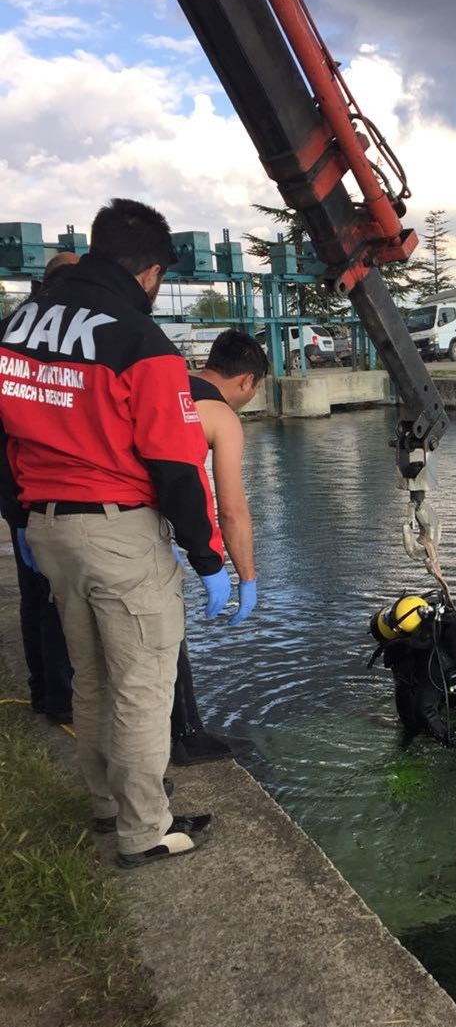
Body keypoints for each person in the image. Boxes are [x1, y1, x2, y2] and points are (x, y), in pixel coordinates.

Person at [0, 197, 233, 869]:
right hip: (117, 532)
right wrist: (206, 556)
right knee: (141, 685)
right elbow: (176, 465)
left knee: (94, 675)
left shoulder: (19, 325)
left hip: (47, 531)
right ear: (152, 271)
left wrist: (17, 515)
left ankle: (108, 803)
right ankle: (144, 830)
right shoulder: (140, 342)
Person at [171, 329, 267, 763]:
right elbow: (231, 509)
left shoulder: (166, 383)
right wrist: (244, 577)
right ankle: (186, 737)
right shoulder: (221, 414)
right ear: (246, 381)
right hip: (138, 533)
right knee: (165, 639)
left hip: (76, 511)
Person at [0, 252, 80, 725]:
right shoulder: (73, 334)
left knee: (37, 599)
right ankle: (65, 698)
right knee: (61, 601)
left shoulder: (10, 329)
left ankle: (46, 693)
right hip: (50, 494)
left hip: (18, 494)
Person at [372, 595, 456, 751]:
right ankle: (405, 753)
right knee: (414, 730)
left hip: (452, 680)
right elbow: (424, 711)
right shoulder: (439, 665)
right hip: (413, 683)